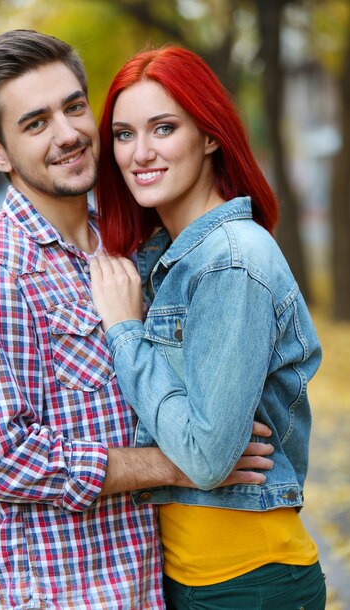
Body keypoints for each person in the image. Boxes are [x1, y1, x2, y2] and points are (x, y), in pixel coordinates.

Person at [0, 31, 273, 609]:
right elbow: (5, 460)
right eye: (35, 123)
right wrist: (185, 461)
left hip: (151, 584)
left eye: (73, 107)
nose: (68, 134)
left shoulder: (127, 237)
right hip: (61, 595)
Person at [90, 45, 327, 609]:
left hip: (248, 580)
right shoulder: (168, 260)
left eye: (163, 128)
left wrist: (126, 331)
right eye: (123, 135)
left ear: (211, 135)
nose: (140, 153)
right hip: (189, 577)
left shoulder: (230, 260)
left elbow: (205, 458)